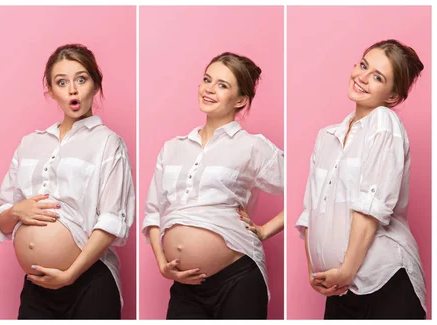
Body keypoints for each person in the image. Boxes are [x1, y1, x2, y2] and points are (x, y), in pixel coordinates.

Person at [0, 43, 135, 319]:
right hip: (36, 287)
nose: (72, 89)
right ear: (51, 91)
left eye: (81, 79)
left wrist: (70, 274)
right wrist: (16, 211)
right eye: (62, 82)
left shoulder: (108, 143)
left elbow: (111, 220)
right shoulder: (29, 143)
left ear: (95, 85)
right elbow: (2, 217)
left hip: (89, 281)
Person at [142, 52, 284, 319]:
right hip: (185, 286)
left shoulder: (251, 146)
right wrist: (162, 263)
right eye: (207, 79)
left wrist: (265, 230)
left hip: (238, 278)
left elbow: (306, 188)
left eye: (222, 85)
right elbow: (153, 211)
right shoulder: (173, 148)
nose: (209, 89)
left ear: (241, 100)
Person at [295, 39, 426, 319]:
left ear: (392, 96)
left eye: (378, 77)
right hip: (340, 286)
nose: (362, 77)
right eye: (363, 65)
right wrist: (314, 271)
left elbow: (371, 208)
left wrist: (346, 271)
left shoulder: (384, 122)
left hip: (383, 282)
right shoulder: (327, 136)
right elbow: (311, 212)